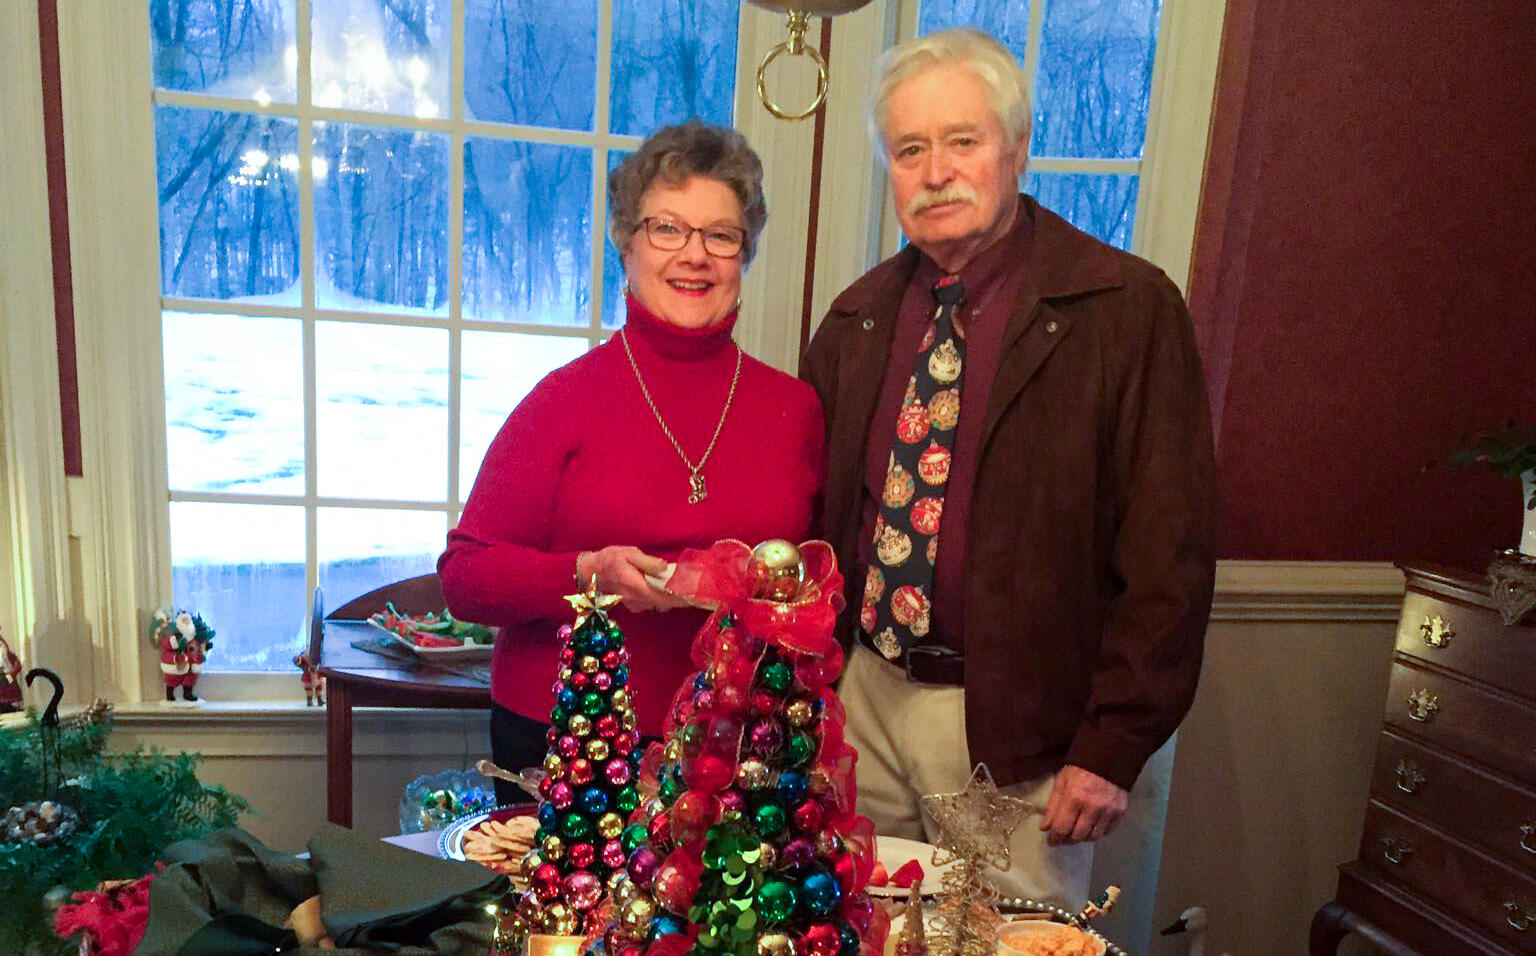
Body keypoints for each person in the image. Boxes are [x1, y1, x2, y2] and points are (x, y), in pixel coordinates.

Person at [801, 29, 1217, 903]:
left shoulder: (1124, 312)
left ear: (1018, 147)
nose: (935, 172)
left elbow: (1168, 555)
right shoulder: (857, 320)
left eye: (963, 140)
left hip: (1018, 727)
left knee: (1006, 940)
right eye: (909, 150)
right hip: (865, 699)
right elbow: (822, 531)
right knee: (856, 924)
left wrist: (1112, 746)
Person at [439, 122, 824, 803]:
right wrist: (588, 574)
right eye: (667, 229)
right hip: (571, 737)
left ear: (744, 253)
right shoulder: (562, 401)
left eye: (720, 235)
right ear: (628, 244)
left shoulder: (795, 409)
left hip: (738, 747)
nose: (694, 255)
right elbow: (466, 579)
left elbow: (816, 583)